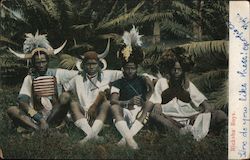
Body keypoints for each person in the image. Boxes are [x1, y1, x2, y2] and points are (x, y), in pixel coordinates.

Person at [149, 47, 228, 141]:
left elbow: (206, 105)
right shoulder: (162, 82)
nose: (176, 72)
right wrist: (158, 106)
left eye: (179, 69)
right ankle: (181, 133)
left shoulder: (188, 85)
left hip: (190, 119)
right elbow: (156, 102)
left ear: (183, 70)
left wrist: (201, 114)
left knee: (220, 115)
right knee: (155, 117)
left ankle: (191, 131)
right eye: (174, 69)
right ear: (169, 69)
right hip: (171, 120)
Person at [7, 32, 78, 131]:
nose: (41, 65)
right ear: (33, 63)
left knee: (65, 96)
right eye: (38, 62)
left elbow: (78, 74)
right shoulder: (29, 78)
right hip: (36, 116)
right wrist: (39, 118)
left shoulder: (58, 73)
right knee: (12, 110)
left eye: (43, 62)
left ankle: (45, 126)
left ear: (48, 61)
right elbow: (23, 102)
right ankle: (38, 129)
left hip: (55, 114)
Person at [63, 44, 124, 144]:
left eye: (94, 64)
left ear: (99, 64)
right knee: (73, 104)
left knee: (107, 103)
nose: (91, 66)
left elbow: (125, 73)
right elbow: (65, 88)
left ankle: (88, 137)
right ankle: (92, 135)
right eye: (88, 64)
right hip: (83, 112)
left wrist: (148, 78)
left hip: (99, 112)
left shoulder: (107, 74)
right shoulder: (77, 78)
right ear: (83, 65)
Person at [110, 26, 154, 149]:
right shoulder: (118, 82)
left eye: (133, 68)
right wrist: (127, 101)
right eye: (127, 68)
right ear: (123, 69)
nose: (130, 71)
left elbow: (151, 92)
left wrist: (150, 89)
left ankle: (125, 138)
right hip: (125, 112)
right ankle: (130, 140)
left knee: (150, 104)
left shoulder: (142, 79)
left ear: (136, 69)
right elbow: (113, 100)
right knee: (114, 107)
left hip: (140, 113)